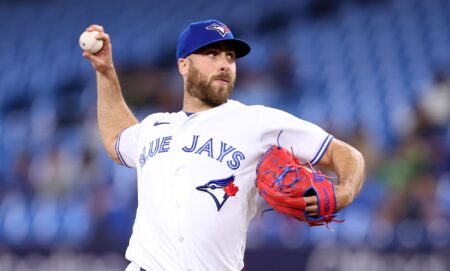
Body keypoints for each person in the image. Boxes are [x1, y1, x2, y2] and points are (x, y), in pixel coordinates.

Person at [82, 19, 365, 271]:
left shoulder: (256, 121)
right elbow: (115, 140)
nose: (224, 64)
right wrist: (105, 71)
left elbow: (345, 154)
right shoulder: (155, 126)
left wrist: (345, 191)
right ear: (183, 64)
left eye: (230, 57)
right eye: (211, 54)